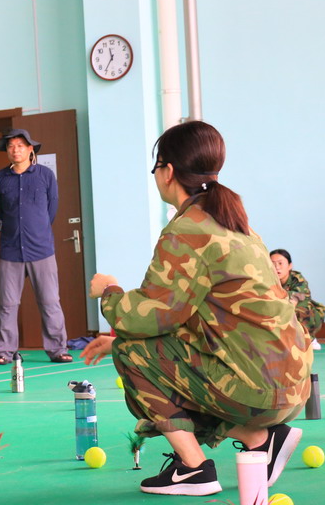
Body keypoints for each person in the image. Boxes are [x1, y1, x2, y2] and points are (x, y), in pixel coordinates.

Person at [81, 121, 312, 497]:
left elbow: (148, 314)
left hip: (257, 388)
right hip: (290, 383)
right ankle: (258, 438)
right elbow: (190, 315)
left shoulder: (189, 229)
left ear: (167, 171)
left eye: (156, 167)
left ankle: (194, 469)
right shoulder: (237, 224)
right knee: (143, 352)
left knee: (131, 353)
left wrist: (107, 291)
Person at [0, 128, 71, 365]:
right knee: (6, 304)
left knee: (50, 301)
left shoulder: (45, 175)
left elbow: (51, 211)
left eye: (20, 145)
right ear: (7, 151)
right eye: (11, 146)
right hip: (10, 249)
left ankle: (58, 349)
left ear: (30, 149)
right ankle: (4, 351)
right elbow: (0, 210)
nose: (15, 149)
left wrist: (37, 230)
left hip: (41, 249)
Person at [270, 249, 325, 350]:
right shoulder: (266, 280)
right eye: (272, 264)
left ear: (290, 266)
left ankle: (309, 338)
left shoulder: (297, 279)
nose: (276, 267)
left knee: (296, 308)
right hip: (280, 311)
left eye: (280, 263)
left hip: (308, 315)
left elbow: (298, 296)